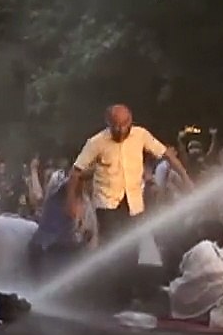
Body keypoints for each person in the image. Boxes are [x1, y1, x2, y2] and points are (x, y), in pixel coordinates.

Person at [68, 104, 191, 303]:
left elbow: (166, 154)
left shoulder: (141, 135)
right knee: (115, 248)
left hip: (134, 202)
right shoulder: (96, 142)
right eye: (115, 125)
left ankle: (126, 293)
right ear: (108, 123)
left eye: (124, 124)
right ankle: (112, 295)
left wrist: (185, 178)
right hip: (108, 203)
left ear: (130, 120)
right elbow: (75, 172)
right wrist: (72, 203)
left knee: (133, 247)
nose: (120, 129)